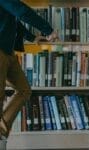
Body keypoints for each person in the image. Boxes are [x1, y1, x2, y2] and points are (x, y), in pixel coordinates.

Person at [0, 0, 58, 139]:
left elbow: (14, 18)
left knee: (24, 89)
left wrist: (32, 37)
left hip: (8, 52)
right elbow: (22, 11)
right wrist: (48, 30)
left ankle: (1, 133)